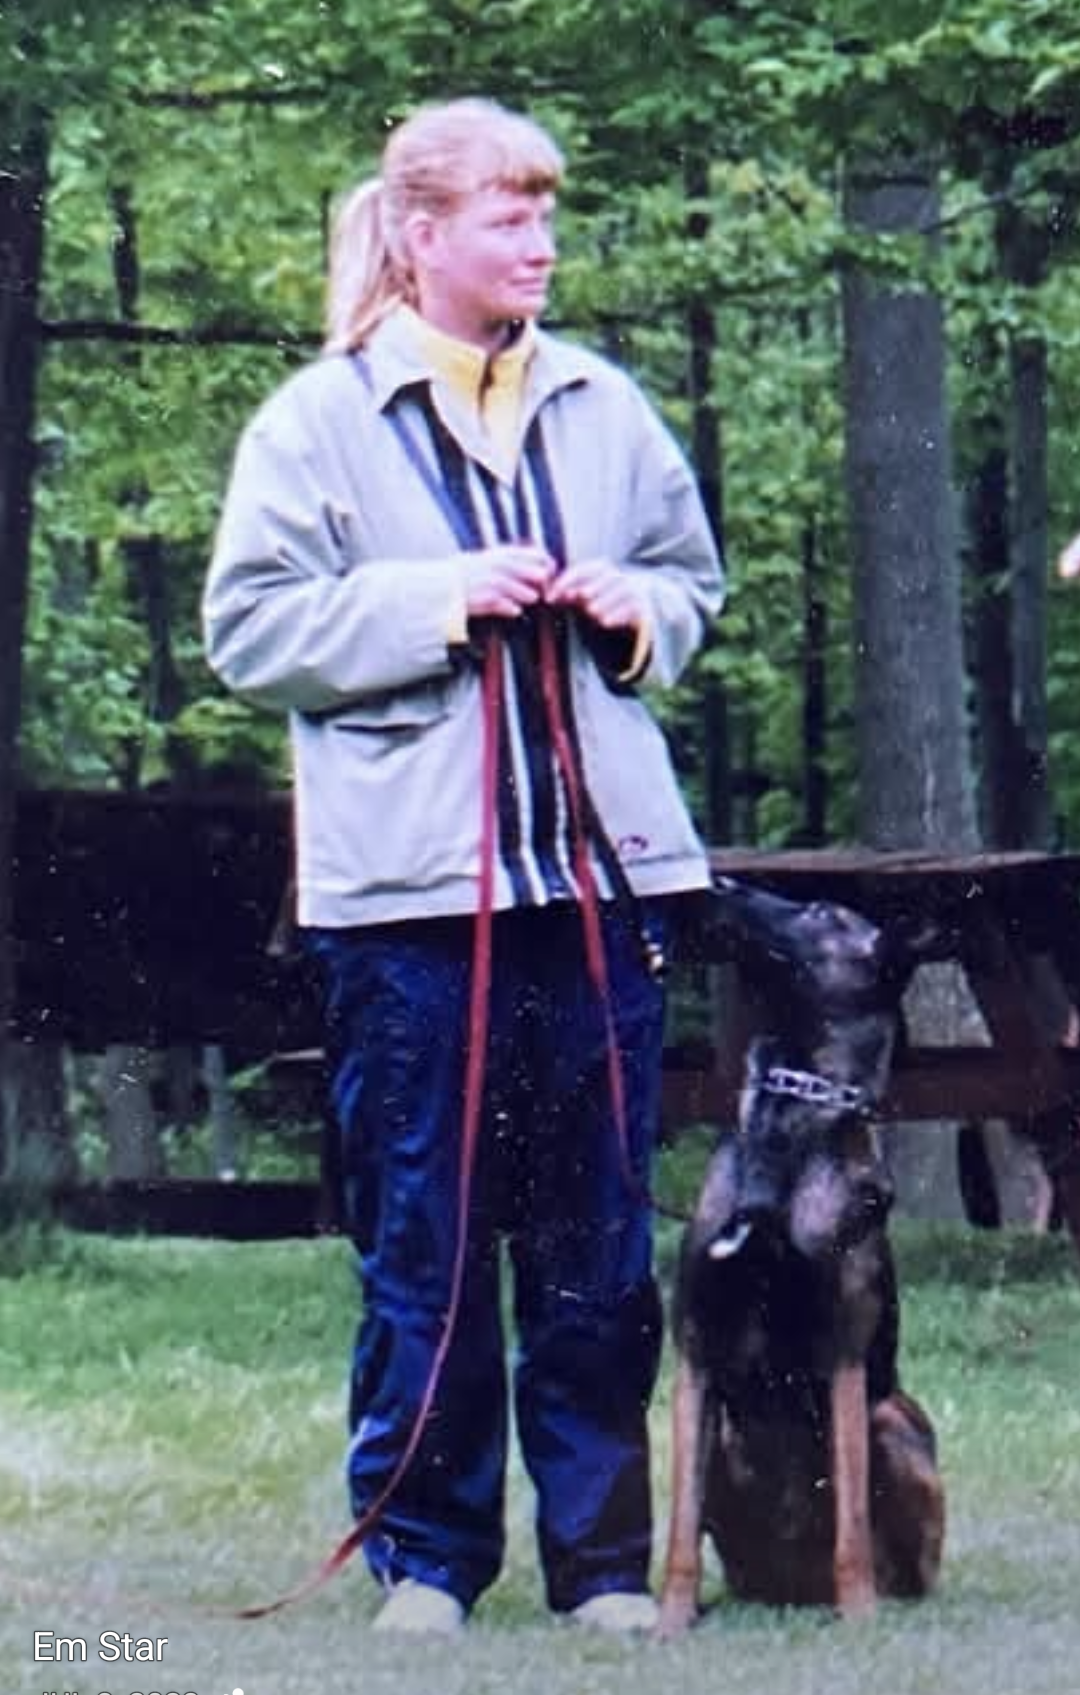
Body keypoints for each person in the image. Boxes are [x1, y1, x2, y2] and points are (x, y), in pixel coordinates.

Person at [202, 96, 724, 1635]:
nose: (541, 244)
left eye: (548, 216)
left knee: (596, 1241)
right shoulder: (316, 422)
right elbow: (250, 630)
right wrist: (436, 600)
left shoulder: (606, 407)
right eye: (511, 218)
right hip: (408, 915)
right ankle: (424, 1564)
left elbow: (694, 586)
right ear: (422, 235)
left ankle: (605, 1569)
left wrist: (633, 606)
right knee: (422, 1235)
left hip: (592, 895)